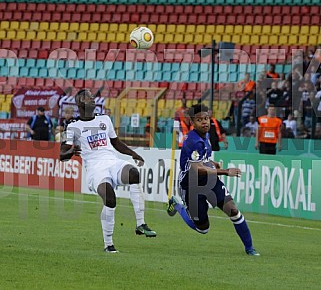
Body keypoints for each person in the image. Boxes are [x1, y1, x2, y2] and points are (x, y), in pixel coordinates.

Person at [60, 89, 156, 253]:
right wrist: (70, 152)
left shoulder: (105, 119)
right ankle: (108, 244)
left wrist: (134, 154)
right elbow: (62, 155)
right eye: (87, 97)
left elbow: (116, 143)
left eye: (92, 96)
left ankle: (140, 223)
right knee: (110, 198)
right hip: (95, 170)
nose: (92, 98)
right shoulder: (73, 126)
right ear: (79, 103)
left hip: (113, 162)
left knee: (134, 173)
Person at [167, 104, 259, 256]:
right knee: (203, 229)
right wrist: (224, 171)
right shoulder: (193, 141)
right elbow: (197, 169)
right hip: (191, 186)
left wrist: (212, 163)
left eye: (206, 118)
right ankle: (177, 205)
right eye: (199, 120)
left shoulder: (206, 135)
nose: (204, 122)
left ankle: (250, 248)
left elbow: (203, 160)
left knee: (234, 211)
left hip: (209, 181)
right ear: (192, 122)